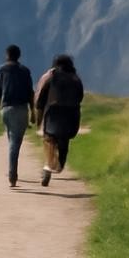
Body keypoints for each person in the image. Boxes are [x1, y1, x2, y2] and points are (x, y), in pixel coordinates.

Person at [0, 44, 36, 187]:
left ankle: (12, 171)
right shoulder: (25, 71)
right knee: (15, 142)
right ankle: (12, 174)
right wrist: (33, 112)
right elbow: (30, 93)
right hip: (21, 110)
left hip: (6, 110)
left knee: (11, 140)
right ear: (19, 56)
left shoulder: (1, 70)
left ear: (7, 55)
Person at [35, 53, 84, 187]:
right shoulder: (75, 79)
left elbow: (41, 98)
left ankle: (47, 166)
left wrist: (38, 117)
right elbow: (80, 97)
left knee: (49, 140)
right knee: (64, 142)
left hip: (53, 114)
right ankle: (60, 164)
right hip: (70, 115)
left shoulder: (52, 77)